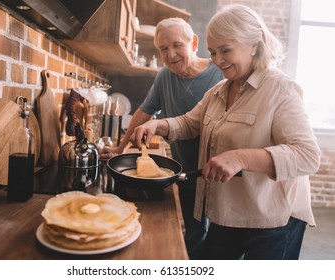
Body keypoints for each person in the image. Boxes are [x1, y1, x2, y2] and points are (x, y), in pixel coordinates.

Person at [131, 4, 321, 260]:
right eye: (212, 51)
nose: (217, 60)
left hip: (273, 220)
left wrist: (240, 158)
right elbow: (189, 123)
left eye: (225, 50)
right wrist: (158, 125)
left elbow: (307, 155)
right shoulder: (219, 90)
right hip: (228, 211)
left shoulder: (280, 89)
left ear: (253, 45)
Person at [102, 17, 224, 259]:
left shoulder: (219, 74)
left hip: (219, 176)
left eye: (177, 45)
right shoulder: (164, 77)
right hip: (186, 173)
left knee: (220, 243)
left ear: (194, 42)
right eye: (163, 49)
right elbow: (144, 112)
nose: (170, 54)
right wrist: (120, 148)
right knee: (193, 236)